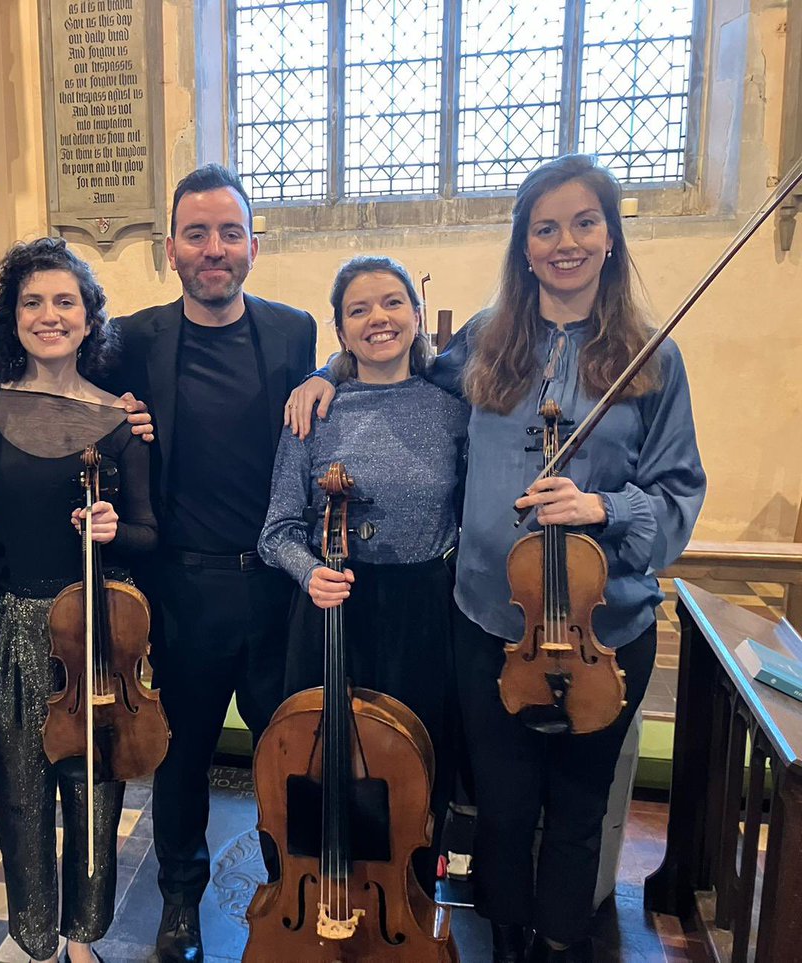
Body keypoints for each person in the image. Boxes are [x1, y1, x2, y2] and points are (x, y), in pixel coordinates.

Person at [286, 154, 705, 963]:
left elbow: (682, 489)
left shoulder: (651, 356)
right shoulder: (487, 338)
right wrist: (326, 369)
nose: (565, 242)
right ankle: (508, 937)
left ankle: (558, 940)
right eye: (545, 227)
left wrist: (605, 506)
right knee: (503, 805)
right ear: (524, 244)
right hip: (486, 619)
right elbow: (394, 363)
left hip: (601, 624)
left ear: (611, 237)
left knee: (579, 807)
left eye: (585, 222)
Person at [102, 164, 317, 962]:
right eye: (197, 233)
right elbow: (66, 402)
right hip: (182, 590)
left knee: (285, 753)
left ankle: (287, 884)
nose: (214, 248)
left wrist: (327, 377)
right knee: (182, 758)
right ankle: (181, 905)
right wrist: (111, 415)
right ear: (171, 249)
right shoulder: (132, 339)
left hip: (273, 584)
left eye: (230, 232)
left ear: (253, 246)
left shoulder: (295, 332)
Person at [0, 237, 158, 963]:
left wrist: (116, 528)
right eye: (32, 302)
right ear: (14, 317)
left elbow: (146, 529)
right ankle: (37, 940)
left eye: (65, 301)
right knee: (19, 799)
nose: (49, 315)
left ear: (89, 318)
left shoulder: (122, 418)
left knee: (92, 795)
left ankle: (84, 937)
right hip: (13, 625)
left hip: (96, 632)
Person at [257, 255, 467, 894]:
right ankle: (312, 909)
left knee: (414, 778)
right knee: (321, 775)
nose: (378, 318)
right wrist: (309, 571)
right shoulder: (315, 411)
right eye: (359, 309)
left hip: (423, 615)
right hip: (331, 610)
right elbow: (277, 530)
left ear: (416, 315)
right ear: (341, 329)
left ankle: (404, 910)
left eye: (392, 303)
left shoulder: (452, 411)